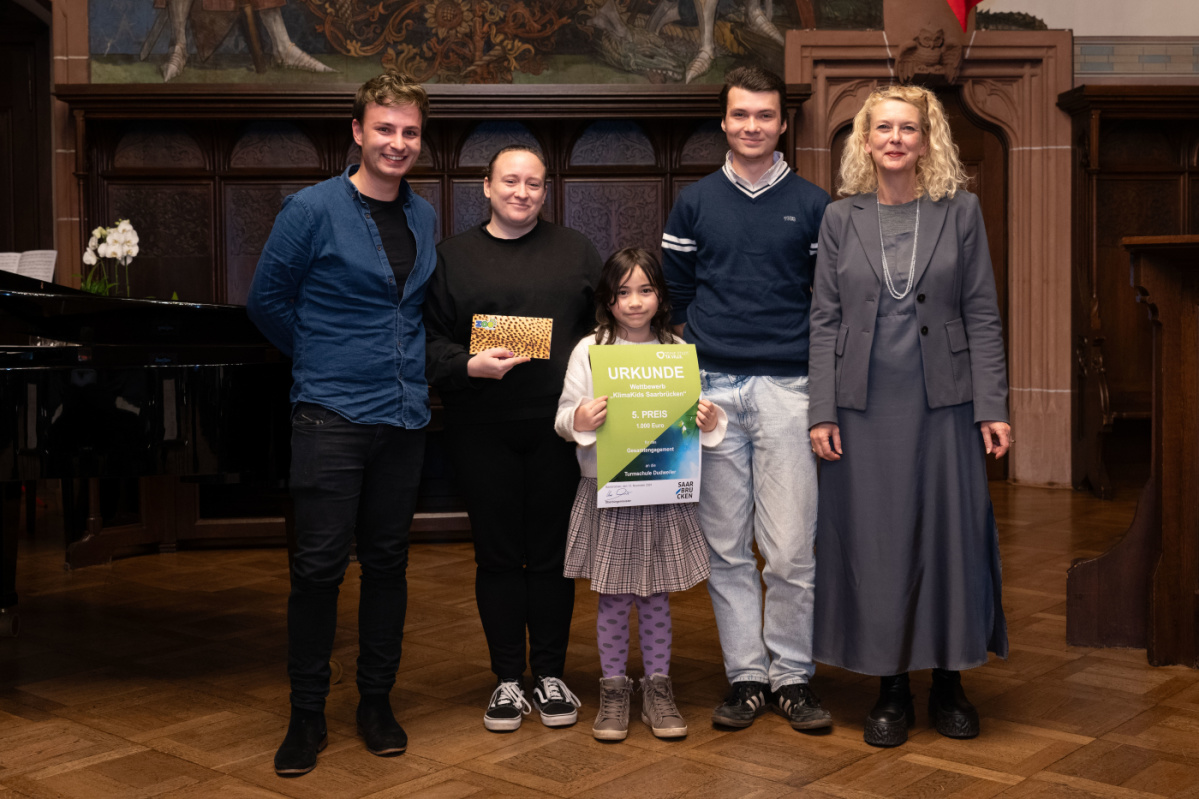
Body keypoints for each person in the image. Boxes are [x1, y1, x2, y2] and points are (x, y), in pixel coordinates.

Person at [808, 84, 1011, 748]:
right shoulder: (840, 218)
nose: (895, 139)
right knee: (878, 544)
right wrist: (821, 409)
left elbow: (981, 313)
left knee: (950, 539)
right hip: (862, 410)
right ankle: (889, 684)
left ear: (928, 141)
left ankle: (949, 682)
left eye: (909, 129)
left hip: (944, 404)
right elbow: (823, 320)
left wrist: (991, 405)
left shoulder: (960, 211)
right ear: (864, 141)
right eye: (882, 128)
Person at [246, 70, 436, 776]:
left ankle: (376, 702)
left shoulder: (423, 215)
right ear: (357, 132)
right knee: (319, 569)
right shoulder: (310, 209)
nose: (397, 142)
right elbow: (267, 301)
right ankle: (305, 715)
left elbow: (414, 312)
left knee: (388, 565)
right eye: (384, 128)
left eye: (409, 131)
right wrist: (325, 356)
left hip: (405, 416)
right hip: (329, 417)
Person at [661, 65, 833, 732]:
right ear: (724, 121)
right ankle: (747, 676)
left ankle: (791, 675)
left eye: (764, 116)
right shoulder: (695, 202)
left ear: (781, 123)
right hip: (711, 393)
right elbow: (674, 293)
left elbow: (828, 302)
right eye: (740, 116)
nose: (752, 126)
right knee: (726, 547)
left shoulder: (815, 204)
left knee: (789, 550)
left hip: (791, 388)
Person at [424, 146, 603, 733]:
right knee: (498, 556)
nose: (522, 192)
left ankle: (550, 675)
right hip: (481, 428)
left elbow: (606, 333)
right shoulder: (452, 257)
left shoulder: (576, 251)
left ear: (545, 190)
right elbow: (425, 341)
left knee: (552, 558)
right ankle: (506, 680)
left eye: (533, 183)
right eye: (510, 181)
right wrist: (468, 364)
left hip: (559, 430)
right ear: (486, 186)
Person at [555, 247, 728, 741]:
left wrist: (709, 420)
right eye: (623, 292)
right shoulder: (589, 351)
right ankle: (613, 690)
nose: (635, 302)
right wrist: (580, 420)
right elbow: (564, 417)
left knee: (655, 598)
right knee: (612, 599)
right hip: (608, 493)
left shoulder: (676, 351)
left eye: (645, 290)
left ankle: (657, 688)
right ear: (607, 299)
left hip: (661, 494)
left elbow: (698, 415)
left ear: (660, 296)